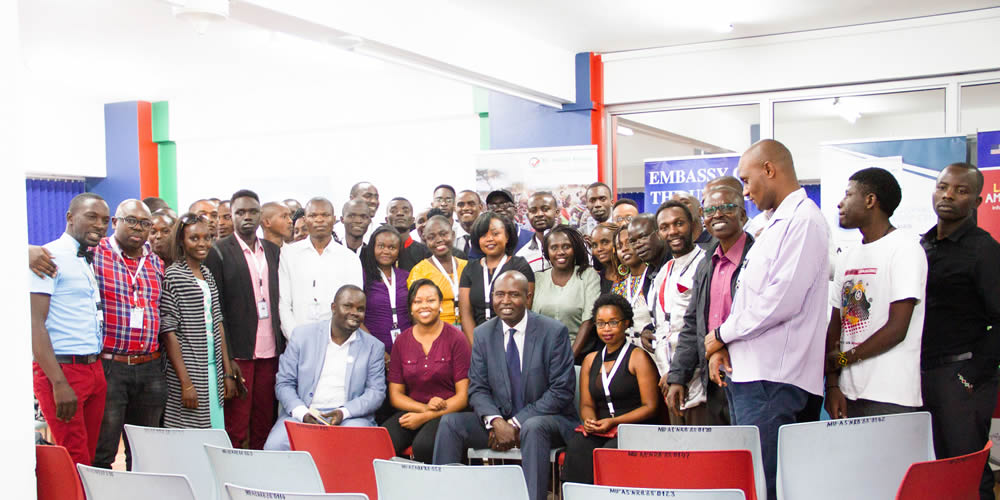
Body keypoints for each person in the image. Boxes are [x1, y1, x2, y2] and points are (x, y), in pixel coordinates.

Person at [703, 139, 828, 500]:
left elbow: (781, 301)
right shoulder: (770, 223)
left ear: (769, 170)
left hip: (774, 380)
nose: (745, 192)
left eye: (746, 180)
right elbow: (749, 297)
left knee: (768, 485)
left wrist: (722, 334)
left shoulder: (803, 221)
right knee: (752, 481)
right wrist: (725, 344)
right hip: (751, 374)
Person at [433, 271, 577, 500]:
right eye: (499, 294)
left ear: (528, 298)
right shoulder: (483, 334)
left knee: (533, 427)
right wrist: (496, 422)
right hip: (500, 421)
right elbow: (478, 387)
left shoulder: (553, 332)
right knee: (451, 423)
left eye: (514, 294)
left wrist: (515, 423)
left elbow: (561, 390)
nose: (506, 301)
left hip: (547, 421)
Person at [919, 162, 1000, 500]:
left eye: (960, 190)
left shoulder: (984, 250)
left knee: (967, 471)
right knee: (933, 469)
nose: (948, 195)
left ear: (977, 202)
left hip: (961, 376)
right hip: (922, 373)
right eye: (942, 187)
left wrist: (970, 376)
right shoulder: (923, 245)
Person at [824, 168, 926, 422]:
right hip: (848, 393)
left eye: (848, 195)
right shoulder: (848, 255)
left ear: (870, 200)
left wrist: (844, 359)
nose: (840, 203)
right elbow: (836, 325)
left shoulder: (905, 248)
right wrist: (833, 385)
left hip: (890, 395)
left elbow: (897, 329)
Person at [30, 193, 110, 465]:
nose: (99, 225)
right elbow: (35, 324)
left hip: (94, 367)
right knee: (75, 458)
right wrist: (58, 382)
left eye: (105, 220)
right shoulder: (47, 256)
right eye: (92, 217)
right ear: (70, 218)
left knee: (88, 457)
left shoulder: (87, 257)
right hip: (63, 369)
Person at [90, 200, 168, 470]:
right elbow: (54, 254)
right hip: (111, 367)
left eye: (145, 223)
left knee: (145, 453)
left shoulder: (155, 261)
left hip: (150, 367)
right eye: (131, 221)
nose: (138, 228)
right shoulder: (94, 254)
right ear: (115, 223)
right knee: (104, 449)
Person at [666, 186, 753, 426]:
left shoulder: (757, 257)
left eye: (727, 207)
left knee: (750, 446)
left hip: (750, 376)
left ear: (743, 215)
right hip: (713, 378)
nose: (718, 214)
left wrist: (721, 342)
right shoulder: (706, 263)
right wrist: (678, 377)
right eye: (711, 210)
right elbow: (692, 323)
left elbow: (760, 316)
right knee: (718, 447)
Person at [204, 190, 283, 450]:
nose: (247, 217)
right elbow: (217, 310)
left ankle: (261, 469)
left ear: (260, 215)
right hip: (239, 352)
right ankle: (232, 469)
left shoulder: (273, 251)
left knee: (264, 420)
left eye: (252, 212)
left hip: (271, 352)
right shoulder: (218, 252)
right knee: (236, 423)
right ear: (231, 216)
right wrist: (227, 361)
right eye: (240, 212)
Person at [264, 285, 386, 450]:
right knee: (275, 446)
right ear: (333, 307)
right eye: (348, 306)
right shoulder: (302, 336)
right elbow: (284, 383)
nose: (355, 313)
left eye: (360, 309)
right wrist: (302, 413)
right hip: (303, 412)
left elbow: (376, 392)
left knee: (356, 445)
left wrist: (344, 412)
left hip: (350, 418)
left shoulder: (373, 347)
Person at [561, 294, 661, 484]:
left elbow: (650, 407)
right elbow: (587, 404)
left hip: (633, 427)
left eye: (613, 323)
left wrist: (614, 422)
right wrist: (590, 420)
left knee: (610, 451)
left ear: (626, 323)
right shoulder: (590, 360)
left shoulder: (638, 357)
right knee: (578, 446)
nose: (606, 329)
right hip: (602, 427)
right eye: (601, 323)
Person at [160, 213, 237, 429]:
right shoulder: (174, 276)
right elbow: (168, 333)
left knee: (214, 427)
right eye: (194, 238)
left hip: (213, 367)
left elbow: (218, 322)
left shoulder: (207, 274)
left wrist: (227, 372)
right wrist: (186, 383)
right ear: (181, 241)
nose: (202, 244)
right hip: (189, 368)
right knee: (190, 431)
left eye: (207, 237)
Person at [384, 280, 471, 463]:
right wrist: (423, 409)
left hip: (448, 412)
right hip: (414, 408)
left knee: (425, 445)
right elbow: (396, 395)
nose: (424, 306)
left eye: (430, 300)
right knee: (382, 441)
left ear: (440, 304)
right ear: (410, 308)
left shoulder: (456, 338)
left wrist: (426, 416)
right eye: (417, 301)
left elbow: (463, 397)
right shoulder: (402, 341)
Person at [644, 200, 707, 424]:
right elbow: (662, 328)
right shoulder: (664, 271)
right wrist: (666, 372)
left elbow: (698, 328)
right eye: (665, 227)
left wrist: (680, 375)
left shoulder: (706, 264)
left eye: (679, 224)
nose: (672, 231)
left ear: (693, 225)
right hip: (669, 379)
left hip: (699, 381)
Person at [278, 197, 363, 339]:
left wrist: (337, 341)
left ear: (334, 219)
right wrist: (296, 339)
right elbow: (284, 304)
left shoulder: (349, 258)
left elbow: (354, 306)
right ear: (305, 220)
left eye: (325, 215)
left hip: (338, 342)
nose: (319, 220)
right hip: (297, 341)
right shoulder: (288, 254)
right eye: (313, 215)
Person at [459, 212, 536, 343]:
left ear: (507, 237)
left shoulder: (520, 266)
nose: (489, 239)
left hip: (513, 337)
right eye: (483, 235)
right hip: (478, 339)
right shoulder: (470, 269)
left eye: (495, 234)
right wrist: (476, 346)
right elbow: (465, 314)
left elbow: (525, 308)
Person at [531, 225, 601, 360]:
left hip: (578, 356)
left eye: (566, 246)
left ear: (575, 249)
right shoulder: (538, 279)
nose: (560, 252)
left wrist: (569, 359)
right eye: (554, 248)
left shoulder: (588, 275)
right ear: (547, 252)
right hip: (542, 355)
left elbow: (588, 320)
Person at [360, 224, 412, 355]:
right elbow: (357, 319)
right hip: (372, 350)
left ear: (399, 251)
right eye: (381, 246)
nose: (386, 251)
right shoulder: (363, 277)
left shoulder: (407, 276)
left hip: (406, 348)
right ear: (372, 248)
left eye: (392, 247)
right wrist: (379, 352)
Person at [407, 216, 467, 326]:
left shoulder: (466, 266)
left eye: (443, 234)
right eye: (431, 237)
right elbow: (417, 313)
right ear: (425, 240)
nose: (439, 240)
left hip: (468, 325)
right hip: (435, 329)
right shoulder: (419, 271)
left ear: (453, 235)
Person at [515, 192, 559, 273]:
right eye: (533, 211)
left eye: (545, 209)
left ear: (557, 212)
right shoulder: (522, 257)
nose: (539, 214)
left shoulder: (574, 246)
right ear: (528, 216)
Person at [388, 197, 431, 272]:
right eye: (394, 211)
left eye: (405, 211)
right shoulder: (379, 251)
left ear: (412, 220)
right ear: (386, 220)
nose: (400, 213)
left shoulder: (426, 253)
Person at [589, 222, 621, 294]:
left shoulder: (633, 274)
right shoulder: (594, 280)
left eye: (605, 242)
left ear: (617, 242)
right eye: (594, 245)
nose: (599, 249)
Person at [454, 190, 484, 258]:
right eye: (461, 205)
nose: (466, 208)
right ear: (454, 209)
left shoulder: (488, 234)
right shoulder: (449, 236)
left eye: (471, 204)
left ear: (480, 207)